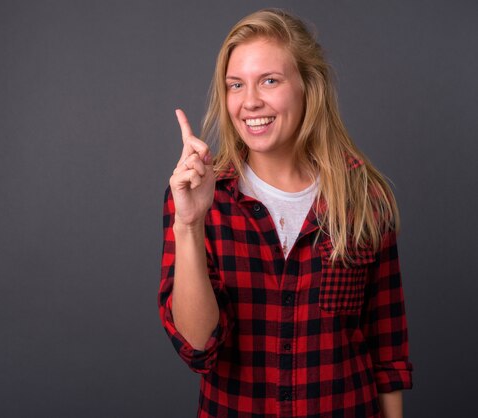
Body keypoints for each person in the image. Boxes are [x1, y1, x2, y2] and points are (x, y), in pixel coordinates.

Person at [158, 8, 412, 418]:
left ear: (308, 87)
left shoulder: (364, 195)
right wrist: (189, 223)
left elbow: (388, 351)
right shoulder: (197, 196)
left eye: (270, 81)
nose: (250, 101)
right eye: (236, 85)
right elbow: (199, 347)